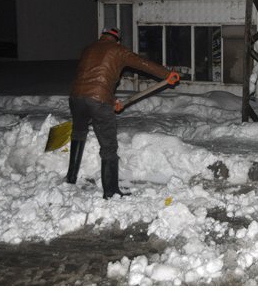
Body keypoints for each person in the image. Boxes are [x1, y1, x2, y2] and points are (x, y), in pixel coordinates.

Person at [66, 27, 180, 198]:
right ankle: (110, 191)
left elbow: (92, 77)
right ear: (117, 40)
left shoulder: (88, 49)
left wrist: (112, 101)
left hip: (76, 98)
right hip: (99, 100)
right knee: (109, 147)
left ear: (102, 36)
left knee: (78, 133)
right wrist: (166, 74)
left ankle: (71, 177)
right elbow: (141, 63)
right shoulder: (117, 50)